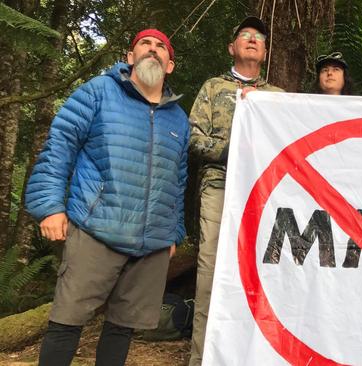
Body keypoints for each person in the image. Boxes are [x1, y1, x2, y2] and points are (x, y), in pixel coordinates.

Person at [24, 29, 189, 366]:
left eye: (161, 47)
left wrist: (173, 232)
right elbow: (60, 146)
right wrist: (50, 207)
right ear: (130, 57)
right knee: (66, 321)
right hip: (96, 227)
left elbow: (179, 179)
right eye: (145, 44)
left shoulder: (179, 119)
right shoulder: (99, 92)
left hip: (152, 244)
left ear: (169, 65)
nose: (152, 50)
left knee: (122, 328)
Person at [188, 16, 284, 366]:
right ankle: (201, 359)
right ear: (232, 47)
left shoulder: (277, 97)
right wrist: (231, 150)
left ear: (265, 50)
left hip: (265, 196)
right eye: (244, 35)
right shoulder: (213, 88)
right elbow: (194, 138)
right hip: (220, 186)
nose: (252, 39)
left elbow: (291, 143)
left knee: (266, 276)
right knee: (210, 274)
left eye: (258, 37)